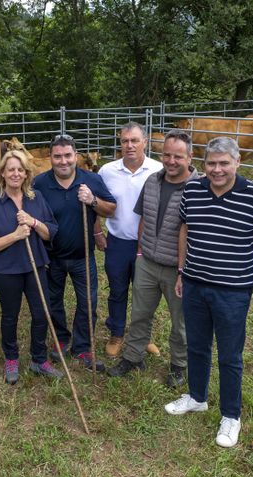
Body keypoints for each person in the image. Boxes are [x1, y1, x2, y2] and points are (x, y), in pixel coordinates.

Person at [164, 137, 253, 450]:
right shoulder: (193, 190)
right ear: (204, 163)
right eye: (212, 163)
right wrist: (182, 271)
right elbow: (185, 229)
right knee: (196, 345)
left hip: (233, 290)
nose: (217, 169)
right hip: (195, 283)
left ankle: (231, 415)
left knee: (229, 354)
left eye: (224, 163)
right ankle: (197, 397)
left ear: (237, 162)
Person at [107, 130, 200, 387]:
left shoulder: (199, 188)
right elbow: (144, 217)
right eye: (166, 155)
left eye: (178, 156)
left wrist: (185, 269)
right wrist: (139, 251)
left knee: (180, 321)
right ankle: (133, 356)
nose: (171, 161)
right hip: (147, 260)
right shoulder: (152, 181)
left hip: (178, 268)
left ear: (190, 157)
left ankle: (179, 365)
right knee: (140, 313)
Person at [32, 134, 116, 373]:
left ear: (76, 156)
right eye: (57, 156)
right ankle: (60, 338)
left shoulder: (91, 180)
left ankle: (83, 346)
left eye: (67, 155)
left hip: (83, 256)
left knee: (87, 302)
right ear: (50, 158)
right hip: (52, 257)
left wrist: (92, 201)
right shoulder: (40, 184)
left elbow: (111, 209)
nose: (63, 161)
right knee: (53, 301)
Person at [0, 149, 60, 385]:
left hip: (35, 267)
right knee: (10, 316)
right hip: (6, 270)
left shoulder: (36, 199)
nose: (15, 173)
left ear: (26, 174)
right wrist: (15, 235)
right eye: (10, 169)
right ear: (2, 173)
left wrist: (33, 222)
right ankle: (11, 358)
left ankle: (39, 359)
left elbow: (51, 232)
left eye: (20, 170)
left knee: (41, 312)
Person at [97, 122, 163, 358]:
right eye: (125, 141)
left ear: (145, 142)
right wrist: (97, 232)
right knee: (117, 290)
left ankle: (142, 336)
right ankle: (116, 333)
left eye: (134, 140)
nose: (129, 145)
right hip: (117, 241)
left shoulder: (158, 169)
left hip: (148, 244)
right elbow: (97, 204)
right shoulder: (107, 171)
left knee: (144, 293)